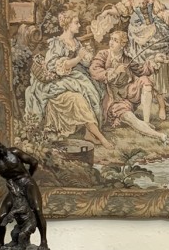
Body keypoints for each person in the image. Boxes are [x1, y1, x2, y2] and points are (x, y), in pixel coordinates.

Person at [24, 9, 114, 156]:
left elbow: (84, 62)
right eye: (76, 22)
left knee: (96, 90)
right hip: (58, 82)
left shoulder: (76, 42)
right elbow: (53, 66)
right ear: (67, 24)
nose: (79, 25)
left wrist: (86, 56)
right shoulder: (57, 43)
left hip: (75, 78)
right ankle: (101, 137)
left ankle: (89, 134)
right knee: (78, 99)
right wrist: (78, 58)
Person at [89, 31, 169, 146]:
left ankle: (146, 122)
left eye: (115, 40)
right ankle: (162, 137)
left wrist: (155, 60)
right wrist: (114, 71)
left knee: (145, 80)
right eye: (111, 39)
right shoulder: (103, 55)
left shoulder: (126, 59)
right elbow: (94, 71)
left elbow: (141, 70)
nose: (111, 42)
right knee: (131, 118)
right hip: (113, 99)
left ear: (122, 45)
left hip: (129, 93)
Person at [0, 136, 47, 250]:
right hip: (13, 187)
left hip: (27, 182)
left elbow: (34, 162)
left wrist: (28, 177)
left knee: (37, 209)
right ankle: (0, 244)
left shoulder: (13, 152)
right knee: (2, 216)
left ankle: (43, 242)